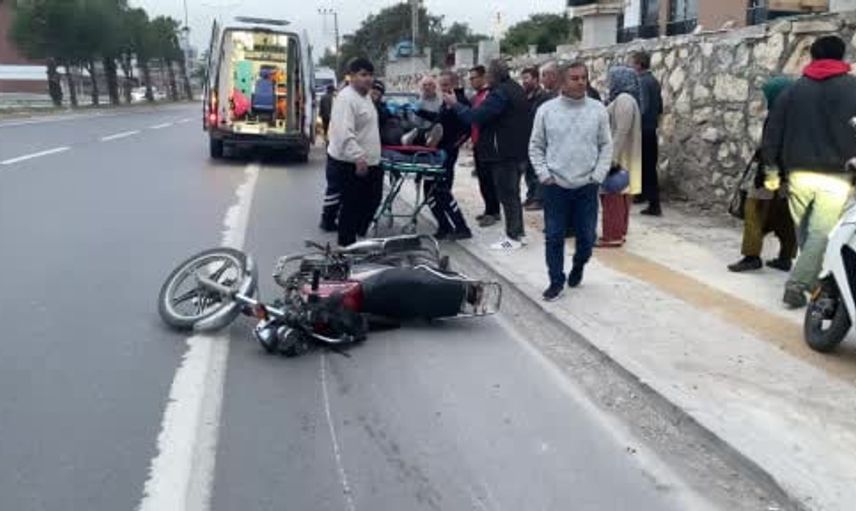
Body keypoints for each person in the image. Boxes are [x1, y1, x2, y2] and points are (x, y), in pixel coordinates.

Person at [763, 35, 856, 308]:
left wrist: (771, 169)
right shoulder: (853, 89)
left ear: (812, 57)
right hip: (837, 175)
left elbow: (773, 131)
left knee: (805, 231)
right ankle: (800, 284)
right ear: (841, 56)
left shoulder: (793, 91)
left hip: (799, 174)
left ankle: (812, 283)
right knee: (820, 233)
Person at [529, 61, 612, 301]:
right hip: (556, 186)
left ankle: (579, 264)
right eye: (574, 78)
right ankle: (556, 281)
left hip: (587, 185)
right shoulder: (546, 110)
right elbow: (536, 145)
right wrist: (544, 174)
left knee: (586, 238)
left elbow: (606, 145)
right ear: (562, 82)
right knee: (554, 236)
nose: (580, 82)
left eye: (583, 77)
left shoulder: (598, 110)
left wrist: (597, 176)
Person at [446, 59, 529, 250]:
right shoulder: (517, 89)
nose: (486, 79)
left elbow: (476, 117)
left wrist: (455, 104)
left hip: (503, 153)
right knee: (513, 194)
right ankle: (518, 233)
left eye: (488, 75)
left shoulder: (500, 93)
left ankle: (514, 237)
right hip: (518, 151)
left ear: (494, 75)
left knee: (508, 195)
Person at [728, 76, 797, 273]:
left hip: (771, 173)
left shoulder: (777, 115)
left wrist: (766, 175)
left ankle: (751, 256)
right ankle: (785, 257)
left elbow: (770, 147)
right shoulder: (800, 115)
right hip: (791, 174)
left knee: (754, 211)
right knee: (785, 215)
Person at [324, 57, 383, 247]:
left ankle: (357, 238)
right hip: (351, 163)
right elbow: (343, 133)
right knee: (351, 207)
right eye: (363, 75)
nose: (368, 79)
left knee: (373, 200)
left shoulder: (366, 97)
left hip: (371, 162)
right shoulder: (346, 98)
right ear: (351, 77)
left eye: (370, 75)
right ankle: (346, 247)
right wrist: (357, 156)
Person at [413, 71, 473, 240]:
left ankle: (461, 227)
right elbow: (439, 120)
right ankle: (444, 226)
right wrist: (420, 112)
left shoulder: (460, 102)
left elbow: (467, 128)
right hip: (437, 152)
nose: (443, 88)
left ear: (455, 84)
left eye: (446, 85)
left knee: (442, 191)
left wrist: (454, 146)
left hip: (447, 153)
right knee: (430, 191)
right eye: (441, 85)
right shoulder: (446, 102)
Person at [599, 66, 643, 248]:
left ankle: (613, 235)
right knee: (621, 197)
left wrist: (611, 158)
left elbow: (621, 131)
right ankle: (618, 232)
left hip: (620, 158)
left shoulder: (624, 100)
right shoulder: (627, 99)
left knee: (613, 197)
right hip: (624, 156)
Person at [466, 65, 501, 228]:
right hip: (477, 142)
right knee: (482, 179)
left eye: (473, 78)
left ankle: (493, 212)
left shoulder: (489, 95)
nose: (471, 81)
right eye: (470, 79)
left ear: (482, 77)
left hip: (488, 144)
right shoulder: (476, 97)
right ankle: (489, 209)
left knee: (489, 180)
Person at [631, 50, 663, 216]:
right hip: (652, 128)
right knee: (648, 165)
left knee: (646, 166)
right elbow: (660, 107)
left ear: (639, 64)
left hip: (643, 128)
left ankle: (653, 203)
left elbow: (642, 106)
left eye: (633, 63)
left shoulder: (642, 81)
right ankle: (644, 195)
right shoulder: (654, 81)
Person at [521, 66, 550, 211]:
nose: (524, 81)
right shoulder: (525, 96)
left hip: (539, 138)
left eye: (527, 78)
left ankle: (539, 199)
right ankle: (531, 196)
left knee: (537, 170)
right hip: (527, 138)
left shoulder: (543, 97)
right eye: (523, 78)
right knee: (529, 171)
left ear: (536, 79)